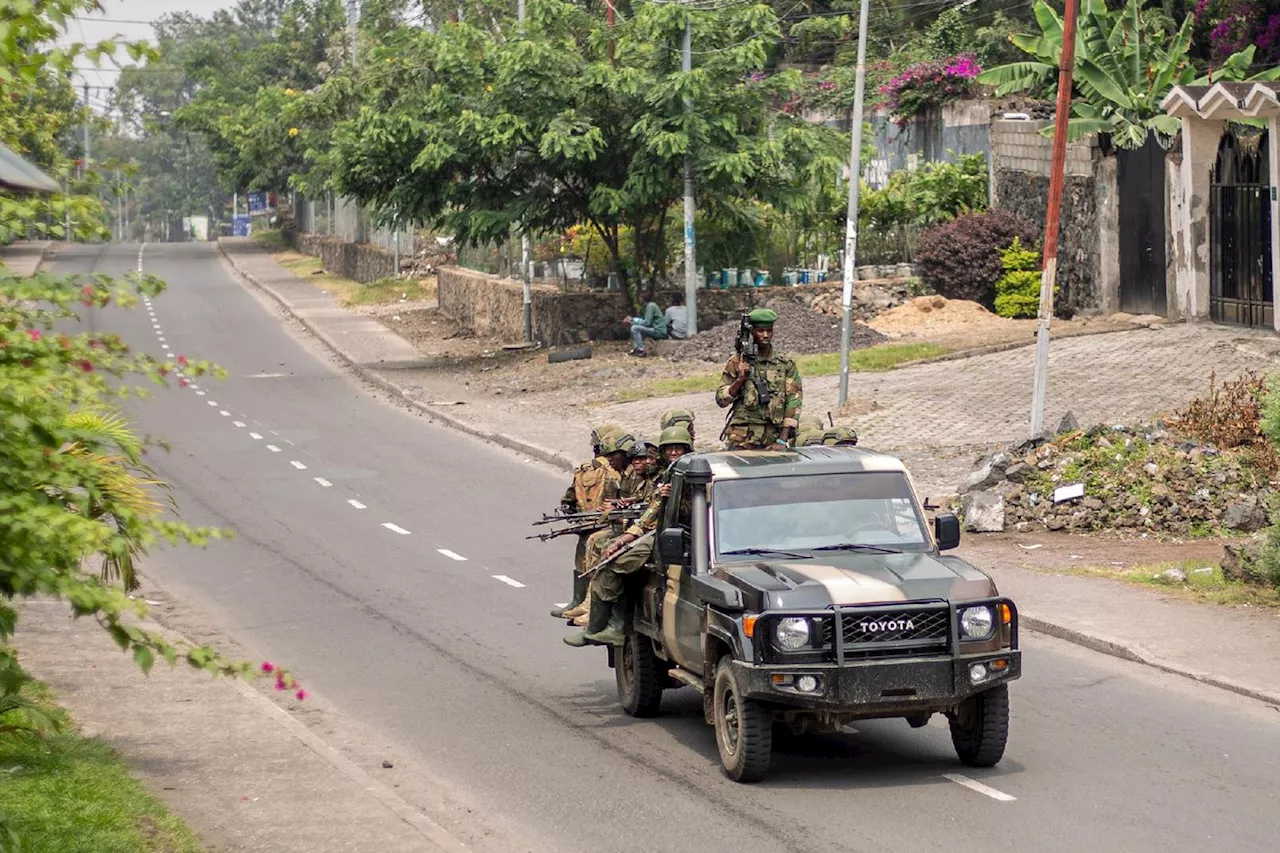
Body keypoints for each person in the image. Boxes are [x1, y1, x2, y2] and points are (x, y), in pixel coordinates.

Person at [564, 426, 693, 647]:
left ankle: (611, 626)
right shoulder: (670, 475)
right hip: (658, 530)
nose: (673, 453)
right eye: (669, 449)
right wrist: (627, 537)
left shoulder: (694, 472)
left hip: (683, 535)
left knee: (615, 563)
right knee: (608, 555)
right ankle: (597, 626)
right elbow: (652, 511)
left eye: (678, 448)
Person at [569, 440, 661, 627]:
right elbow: (642, 503)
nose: (639, 463)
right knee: (594, 541)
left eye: (644, 459)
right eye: (635, 459)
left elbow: (650, 513)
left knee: (613, 557)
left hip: (648, 533)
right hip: (636, 527)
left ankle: (608, 619)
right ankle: (590, 603)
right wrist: (624, 504)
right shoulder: (640, 478)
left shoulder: (660, 479)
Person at [550, 428, 631, 619]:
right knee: (585, 553)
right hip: (603, 521)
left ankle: (587, 603)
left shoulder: (602, 470)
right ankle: (582, 601)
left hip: (610, 523)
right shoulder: (618, 470)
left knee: (590, 553)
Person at [715, 308, 803, 450]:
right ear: (752, 332)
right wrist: (740, 380)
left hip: (772, 437)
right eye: (760, 331)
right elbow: (721, 399)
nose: (765, 335)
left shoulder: (785, 363)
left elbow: (793, 401)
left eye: (769, 330)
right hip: (741, 439)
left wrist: (782, 440)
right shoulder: (737, 362)